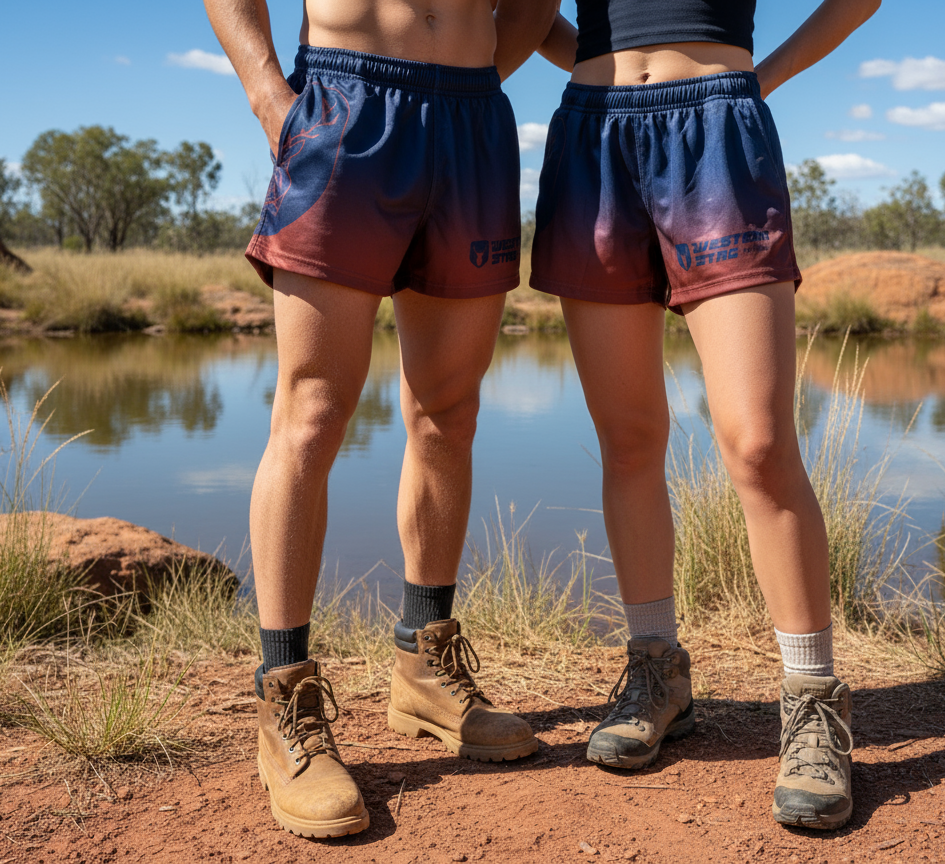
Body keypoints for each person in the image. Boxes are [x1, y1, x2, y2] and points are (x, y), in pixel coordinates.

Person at [204, 0, 558, 838]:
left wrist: (463, 86)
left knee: (448, 412)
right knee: (314, 412)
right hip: (344, 105)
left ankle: (424, 665)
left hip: (471, 117)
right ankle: (285, 697)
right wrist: (268, 95)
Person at [531, 0, 880, 830]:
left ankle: (810, 703)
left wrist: (757, 78)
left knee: (758, 444)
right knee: (628, 438)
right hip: (593, 132)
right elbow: (527, 13)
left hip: (718, 127)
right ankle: (656, 671)